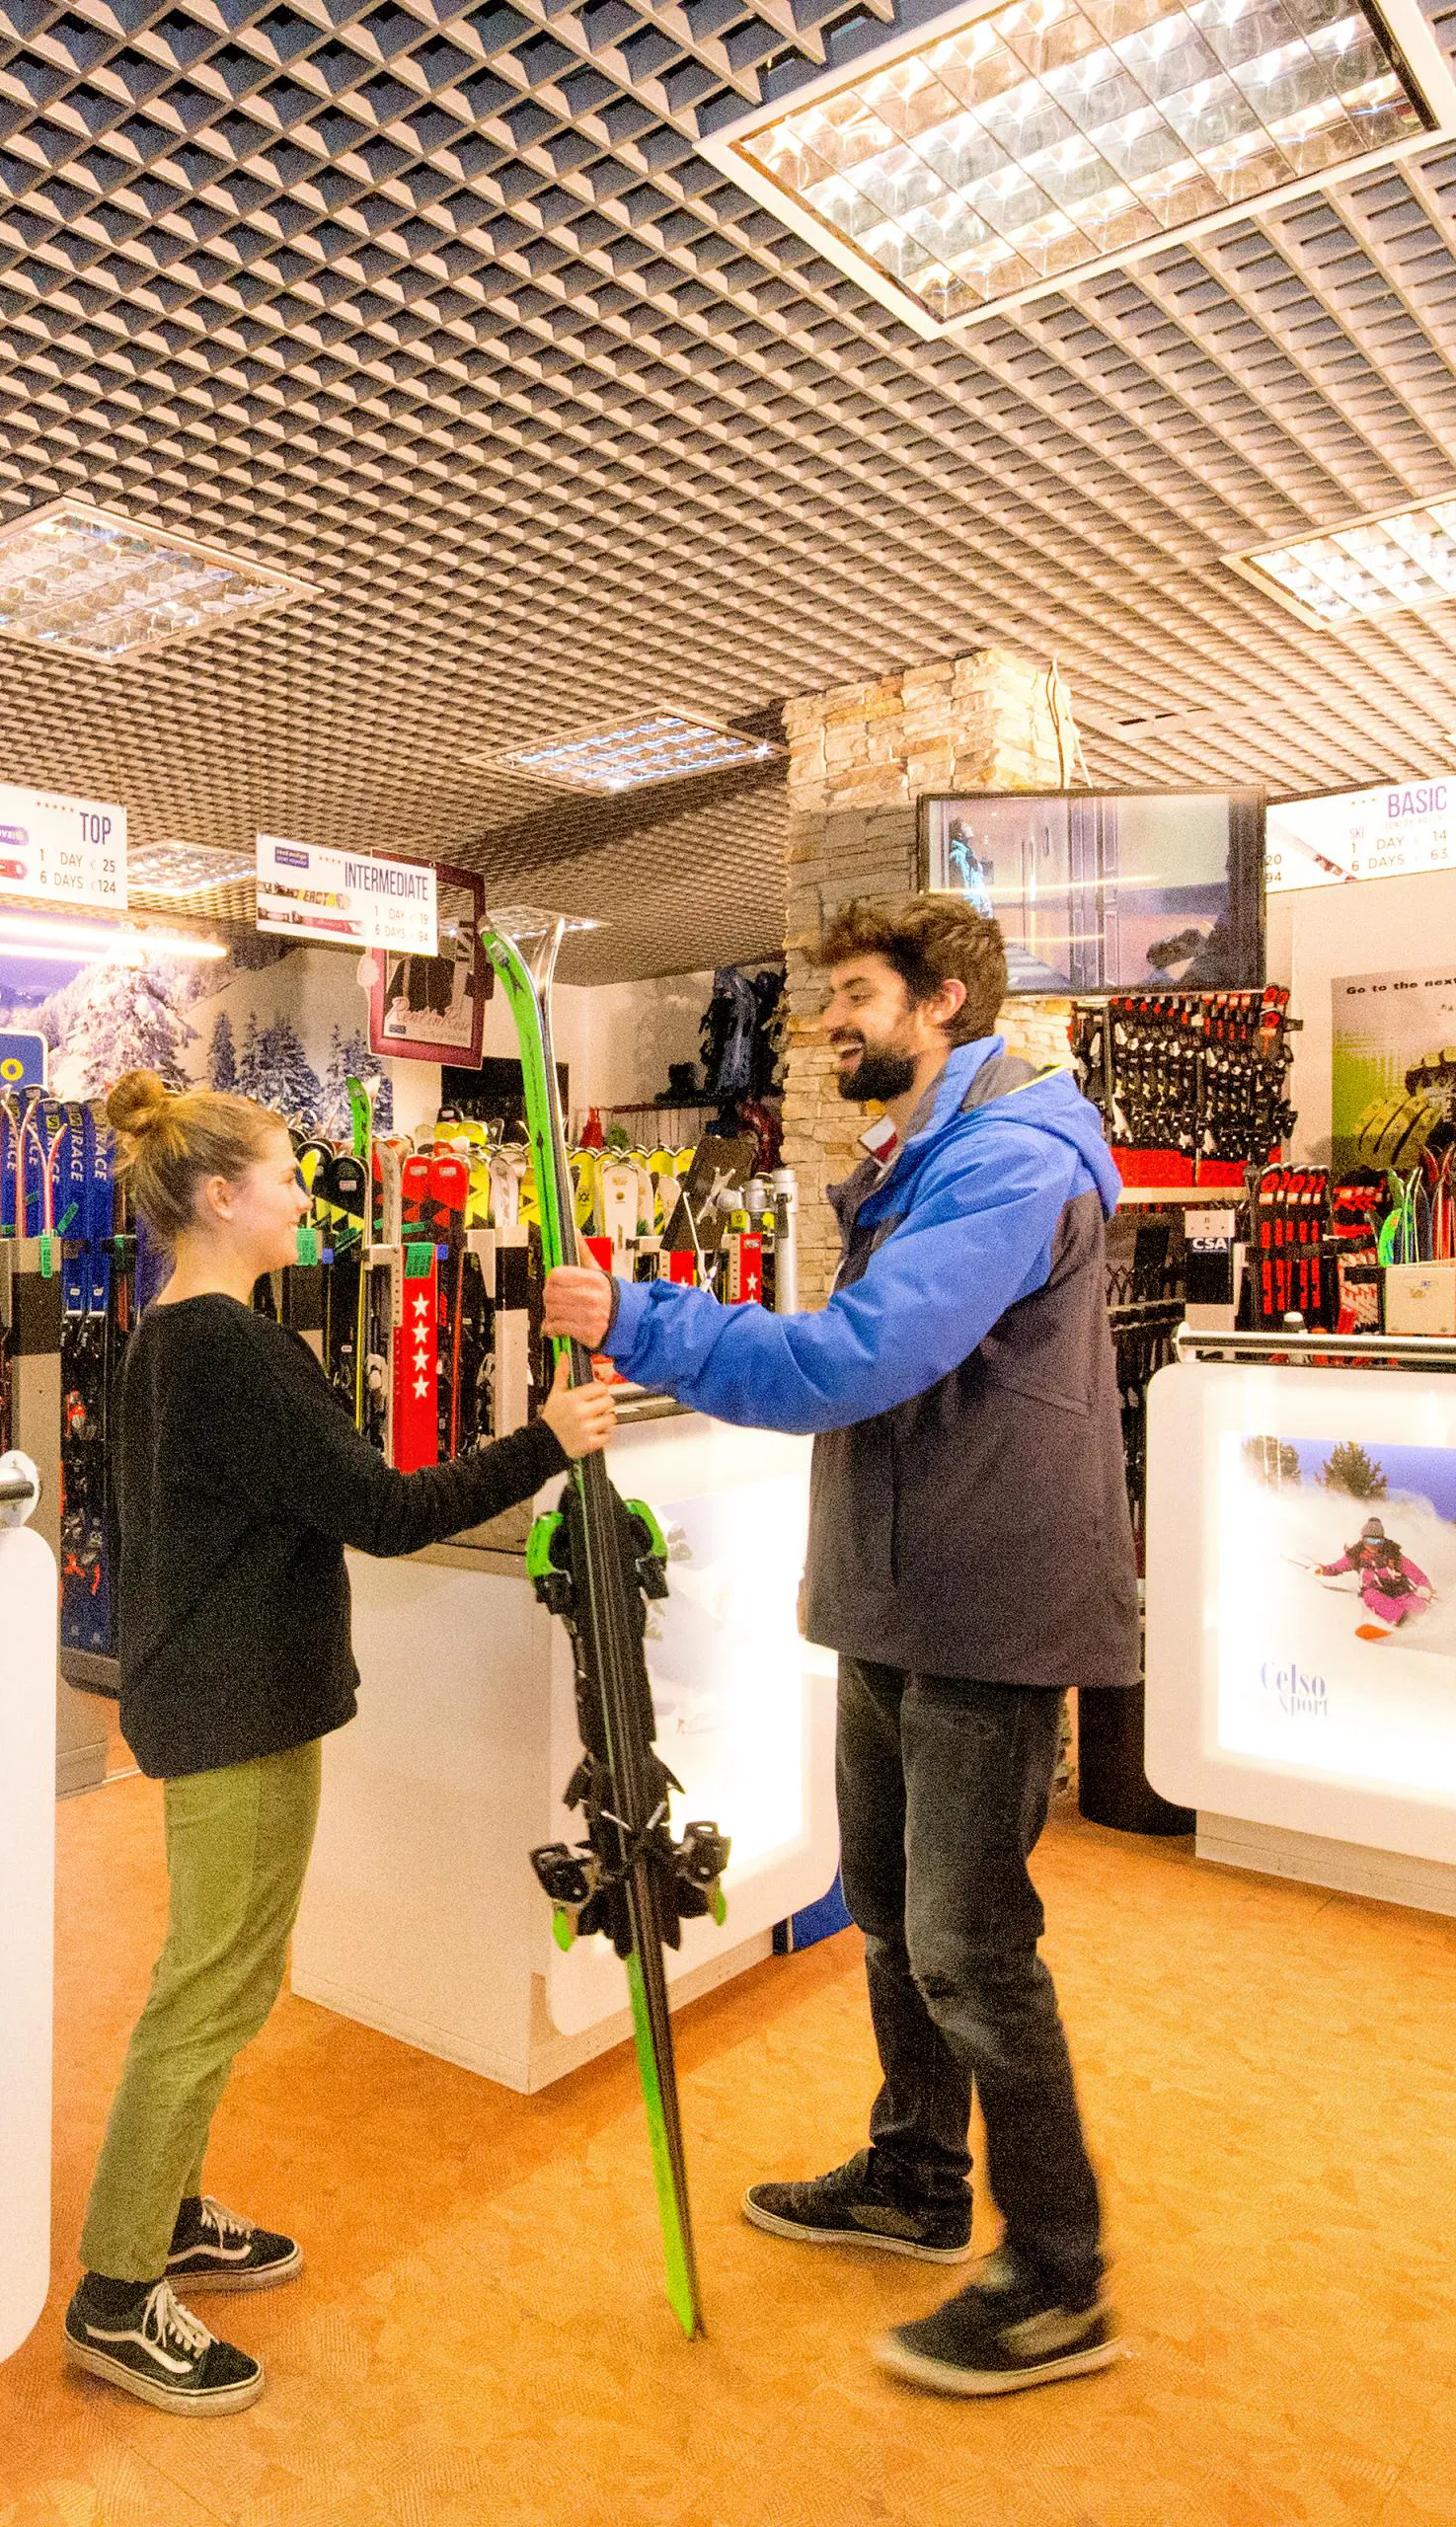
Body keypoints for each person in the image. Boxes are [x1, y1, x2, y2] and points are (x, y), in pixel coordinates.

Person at [540, 893, 1134, 2399]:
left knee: (971, 1947)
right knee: (886, 1905)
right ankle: (918, 2176)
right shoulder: (926, 1151)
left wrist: (647, 1318)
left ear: (943, 1003)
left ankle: (1059, 2278)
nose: (832, 1027)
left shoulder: (1009, 1163)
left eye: (858, 995)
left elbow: (861, 1361)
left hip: (986, 1603)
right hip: (896, 1589)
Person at [64, 1069, 622, 2418]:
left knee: (228, 1976)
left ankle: (169, 2210)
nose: (300, 1199)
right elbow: (381, 1509)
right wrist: (541, 1443)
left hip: (214, 1691)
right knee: (210, 1990)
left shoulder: (172, 1338)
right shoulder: (236, 1351)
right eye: (281, 1176)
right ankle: (116, 2291)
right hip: (235, 1707)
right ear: (218, 1197)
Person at [1321, 1517, 1431, 1627]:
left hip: (1401, 1594)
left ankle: (1425, 1625)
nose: (1374, 1545)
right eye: (1370, 1541)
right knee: (1369, 1595)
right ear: (1363, 1539)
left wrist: (1424, 1588)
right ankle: (1401, 1622)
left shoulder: (1394, 1557)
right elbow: (1336, 1568)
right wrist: (1322, 1569)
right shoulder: (1356, 1557)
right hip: (1377, 1597)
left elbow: (1419, 1576)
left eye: (1378, 1541)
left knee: (1420, 1610)